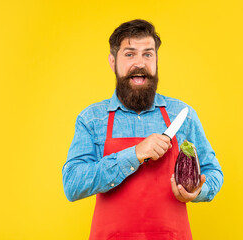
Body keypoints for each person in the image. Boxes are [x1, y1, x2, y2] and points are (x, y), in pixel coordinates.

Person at [62, 19, 223, 240]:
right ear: (112, 62)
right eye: (130, 54)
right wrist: (134, 154)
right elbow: (72, 185)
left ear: (156, 60)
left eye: (148, 54)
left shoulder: (181, 115)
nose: (140, 63)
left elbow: (213, 172)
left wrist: (197, 191)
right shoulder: (92, 119)